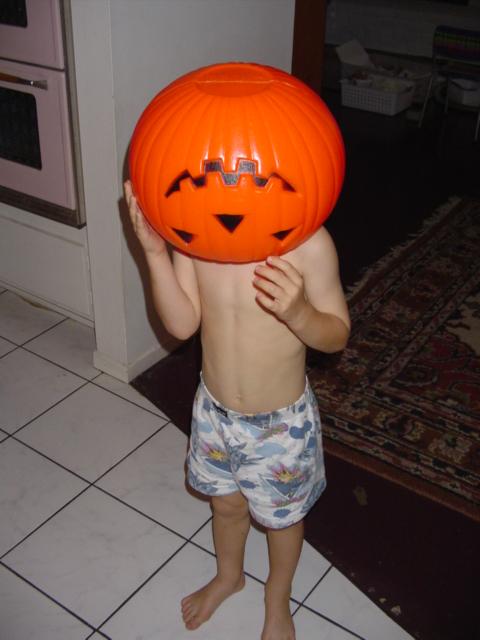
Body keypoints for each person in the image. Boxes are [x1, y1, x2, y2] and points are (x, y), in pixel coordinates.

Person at [124, 179, 350, 640]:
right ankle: (230, 576)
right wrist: (155, 255)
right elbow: (182, 324)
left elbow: (337, 334)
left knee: (282, 521)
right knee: (225, 506)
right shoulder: (196, 234)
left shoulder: (308, 243)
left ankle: (277, 598)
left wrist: (301, 312)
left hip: (280, 426)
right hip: (215, 413)